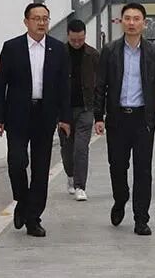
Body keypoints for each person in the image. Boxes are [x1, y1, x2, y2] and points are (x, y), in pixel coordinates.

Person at [93, 3, 155, 236]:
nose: (132, 23)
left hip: (143, 119)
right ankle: (120, 199)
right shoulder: (110, 51)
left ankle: (141, 218)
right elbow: (100, 85)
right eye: (128, 18)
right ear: (121, 21)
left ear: (144, 23)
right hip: (117, 119)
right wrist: (98, 116)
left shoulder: (154, 52)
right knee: (117, 166)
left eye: (136, 19)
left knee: (143, 170)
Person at [0, 4, 72, 237]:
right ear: (26, 21)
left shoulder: (58, 49)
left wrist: (65, 117)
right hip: (17, 114)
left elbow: (64, 86)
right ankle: (22, 200)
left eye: (45, 18)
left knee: (41, 168)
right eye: (36, 18)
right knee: (16, 162)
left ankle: (33, 217)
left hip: (44, 114)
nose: (41, 22)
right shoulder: (12, 48)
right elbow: (0, 85)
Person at [61, 19, 99, 201]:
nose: (77, 43)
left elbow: (101, 83)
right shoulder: (58, 53)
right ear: (68, 36)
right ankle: (70, 175)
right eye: (73, 40)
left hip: (86, 108)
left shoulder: (93, 55)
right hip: (64, 110)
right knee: (67, 149)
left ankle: (80, 186)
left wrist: (99, 112)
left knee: (81, 148)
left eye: (81, 40)